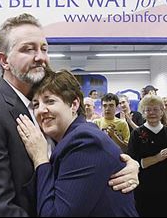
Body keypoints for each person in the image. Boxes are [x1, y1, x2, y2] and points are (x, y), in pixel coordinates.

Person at [0, 13, 139, 217]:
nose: (40, 57)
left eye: (44, 48)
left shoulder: (52, 103)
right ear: (4, 61)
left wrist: (126, 166)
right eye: (28, 49)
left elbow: (81, 158)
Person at [16, 69, 139, 217]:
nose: (41, 110)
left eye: (50, 101)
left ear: (74, 104)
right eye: (36, 105)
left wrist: (40, 159)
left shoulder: (85, 141)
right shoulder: (71, 136)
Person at [128, 94, 167, 217]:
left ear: (162, 111)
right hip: (146, 188)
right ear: (143, 112)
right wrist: (158, 157)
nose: (152, 112)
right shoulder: (137, 134)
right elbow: (134, 163)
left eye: (156, 109)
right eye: (148, 109)